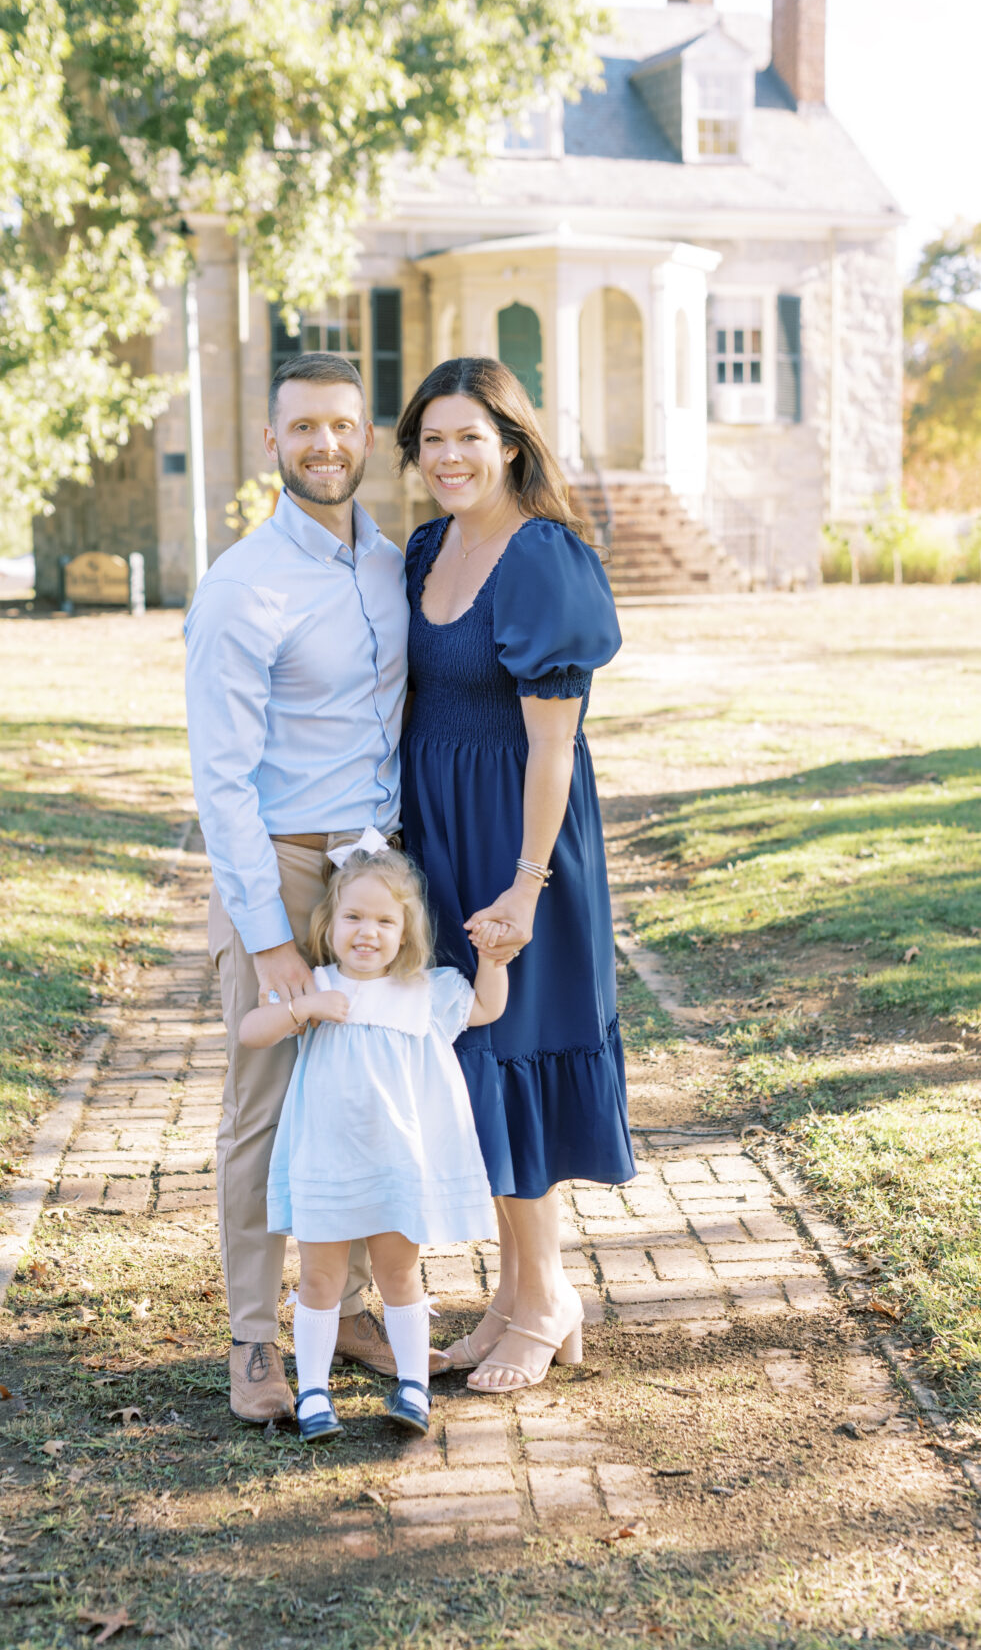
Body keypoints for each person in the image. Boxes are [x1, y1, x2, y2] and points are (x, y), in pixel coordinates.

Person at [184, 351, 444, 1426]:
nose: (325, 445)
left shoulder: (390, 563)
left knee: (371, 1099)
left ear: (366, 434)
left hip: (375, 873)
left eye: (341, 425)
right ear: (272, 444)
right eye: (303, 429)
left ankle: (350, 1310)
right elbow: (222, 779)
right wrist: (269, 938)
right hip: (285, 865)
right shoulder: (243, 583)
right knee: (264, 1110)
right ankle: (255, 1338)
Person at [395, 356, 637, 1393]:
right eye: (432, 439)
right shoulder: (423, 549)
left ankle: (546, 1294)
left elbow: (551, 748)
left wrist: (525, 885)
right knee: (471, 1057)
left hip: (517, 840)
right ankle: (513, 1291)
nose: (450, 457)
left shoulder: (541, 558)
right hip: (439, 838)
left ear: (510, 443)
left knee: (512, 1044)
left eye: (469, 437)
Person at [238, 840, 508, 1441]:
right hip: (326, 1162)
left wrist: (494, 957)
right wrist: (303, 1008)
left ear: (406, 931)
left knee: (400, 1274)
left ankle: (413, 1385)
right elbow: (251, 1031)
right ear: (329, 923)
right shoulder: (314, 983)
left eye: (386, 921)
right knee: (319, 1279)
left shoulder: (426, 990)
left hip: (397, 1166)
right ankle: (312, 1393)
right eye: (354, 917)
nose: (368, 932)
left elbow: (488, 1007)